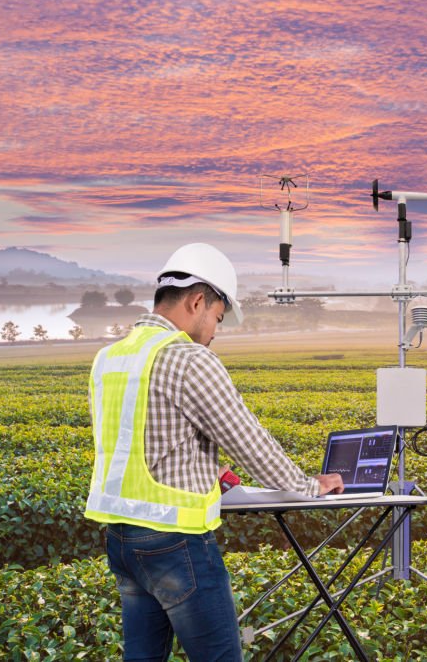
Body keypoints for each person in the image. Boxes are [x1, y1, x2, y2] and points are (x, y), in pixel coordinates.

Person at [84, 242, 344, 661]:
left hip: (122, 541)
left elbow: (133, 440)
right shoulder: (188, 358)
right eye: (218, 318)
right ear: (198, 300)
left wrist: (205, 468)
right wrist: (309, 485)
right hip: (176, 544)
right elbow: (251, 443)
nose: (216, 331)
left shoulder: (109, 357)